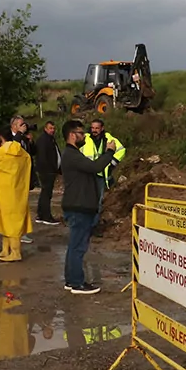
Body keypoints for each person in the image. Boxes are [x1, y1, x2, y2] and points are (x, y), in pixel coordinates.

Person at [60, 119, 117, 295]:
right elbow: (95, 167)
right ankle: (77, 283)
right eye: (80, 132)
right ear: (71, 135)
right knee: (78, 247)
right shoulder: (71, 154)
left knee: (75, 246)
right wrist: (109, 152)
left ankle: (71, 281)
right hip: (79, 206)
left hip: (78, 205)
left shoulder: (73, 154)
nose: (84, 135)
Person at [0, 126, 33, 262]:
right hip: (17, 191)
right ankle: (6, 249)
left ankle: (15, 252)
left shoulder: (2, 152)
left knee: (8, 222)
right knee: (11, 221)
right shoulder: (22, 152)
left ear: (0, 137)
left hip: (4, 192)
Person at [81, 118, 127, 234]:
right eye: (92, 128)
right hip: (87, 174)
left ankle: (93, 226)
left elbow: (121, 150)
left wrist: (111, 164)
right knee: (86, 201)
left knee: (98, 202)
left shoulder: (109, 139)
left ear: (102, 128)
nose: (94, 130)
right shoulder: (84, 138)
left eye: (97, 128)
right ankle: (84, 225)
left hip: (100, 175)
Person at [9, 116, 36, 244]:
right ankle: (15, 232)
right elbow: (12, 151)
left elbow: (32, 154)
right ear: (14, 126)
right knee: (15, 207)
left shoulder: (24, 138)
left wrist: (31, 142)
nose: (24, 126)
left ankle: (22, 231)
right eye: (21, 124)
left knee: (23, 206)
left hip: (24, 177)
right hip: (14, 178)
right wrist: (20, 134)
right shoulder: (10, 138)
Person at [34, 120, 61, 225]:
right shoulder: (43, 140)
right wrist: (49, 169)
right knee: (46, 194)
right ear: (45, 128)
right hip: (46, 171)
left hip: (50, 170)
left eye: (53, 128)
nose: (52, 130)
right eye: (50, 128)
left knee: (45, 193)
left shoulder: (51, 139)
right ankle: (46, 216)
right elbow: (42, 157)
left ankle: (41, 214)